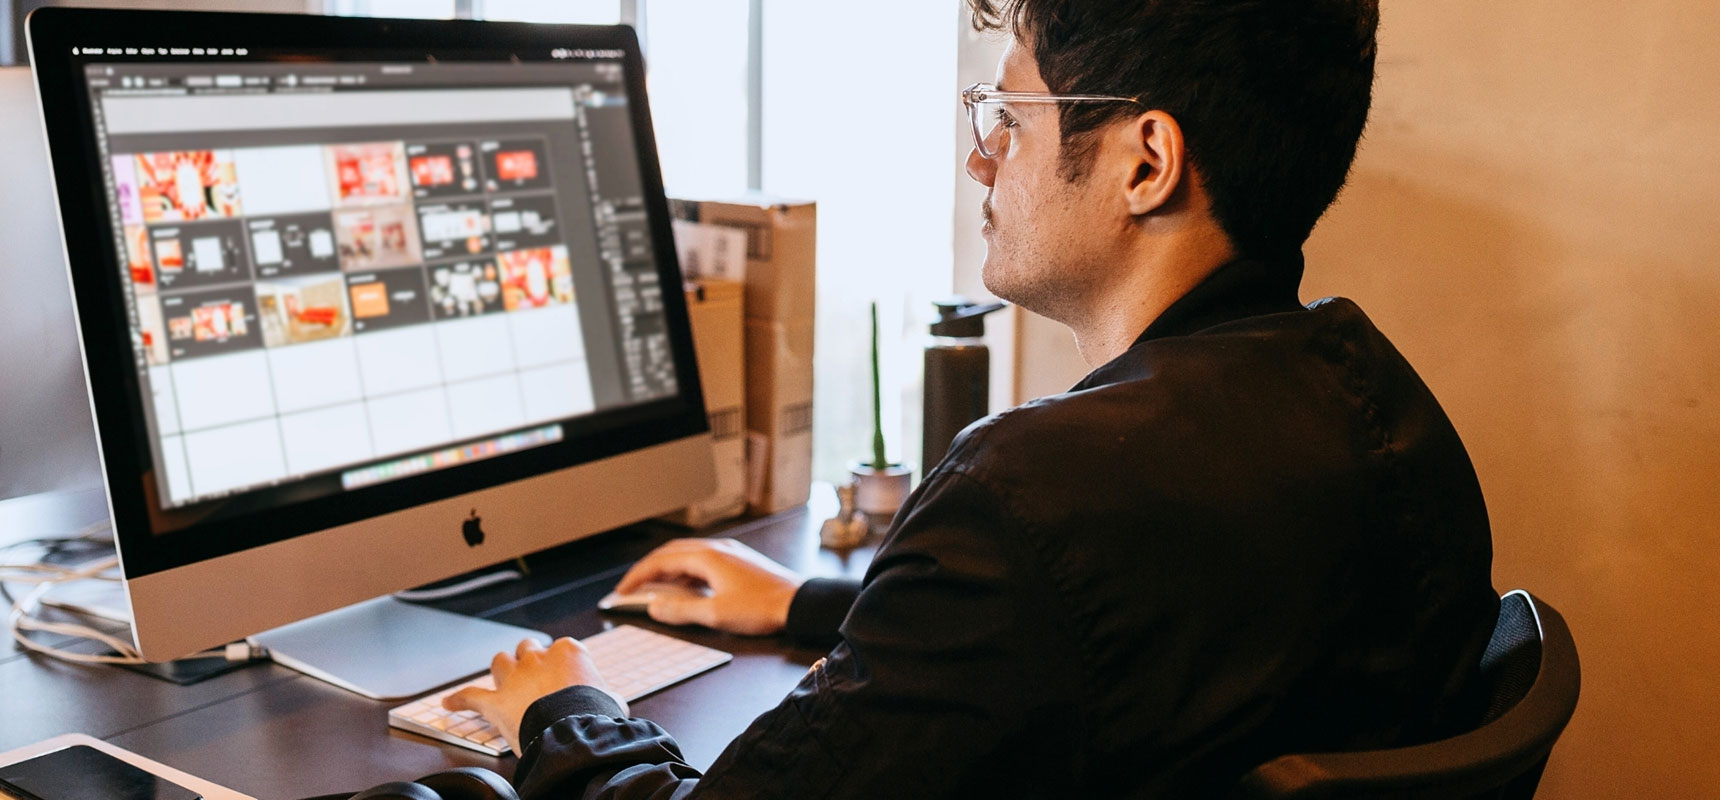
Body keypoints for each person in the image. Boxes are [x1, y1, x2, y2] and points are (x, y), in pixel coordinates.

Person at [443, 1, 1499, 796]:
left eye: (1012, 114)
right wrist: (811, 604)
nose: (979, 154)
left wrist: (567, 710)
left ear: (1147, 163)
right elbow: (1122, 642)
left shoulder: (1033, 491)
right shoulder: (1384, 409)